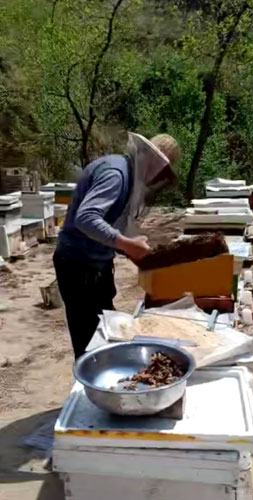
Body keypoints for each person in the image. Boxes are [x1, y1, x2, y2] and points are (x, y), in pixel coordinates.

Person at [53, 132, 180, 359]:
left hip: (97, 266)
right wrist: (127, 244)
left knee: (105, 332)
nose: (158, 177)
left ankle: (103, 376)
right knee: (88, 341)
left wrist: (134, 252)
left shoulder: (127, 176)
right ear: (148, 159)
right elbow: (87, 218)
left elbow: (111, 225)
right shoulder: (116, 174)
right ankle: (90, 385)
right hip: (77, 266)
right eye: (160, 169)